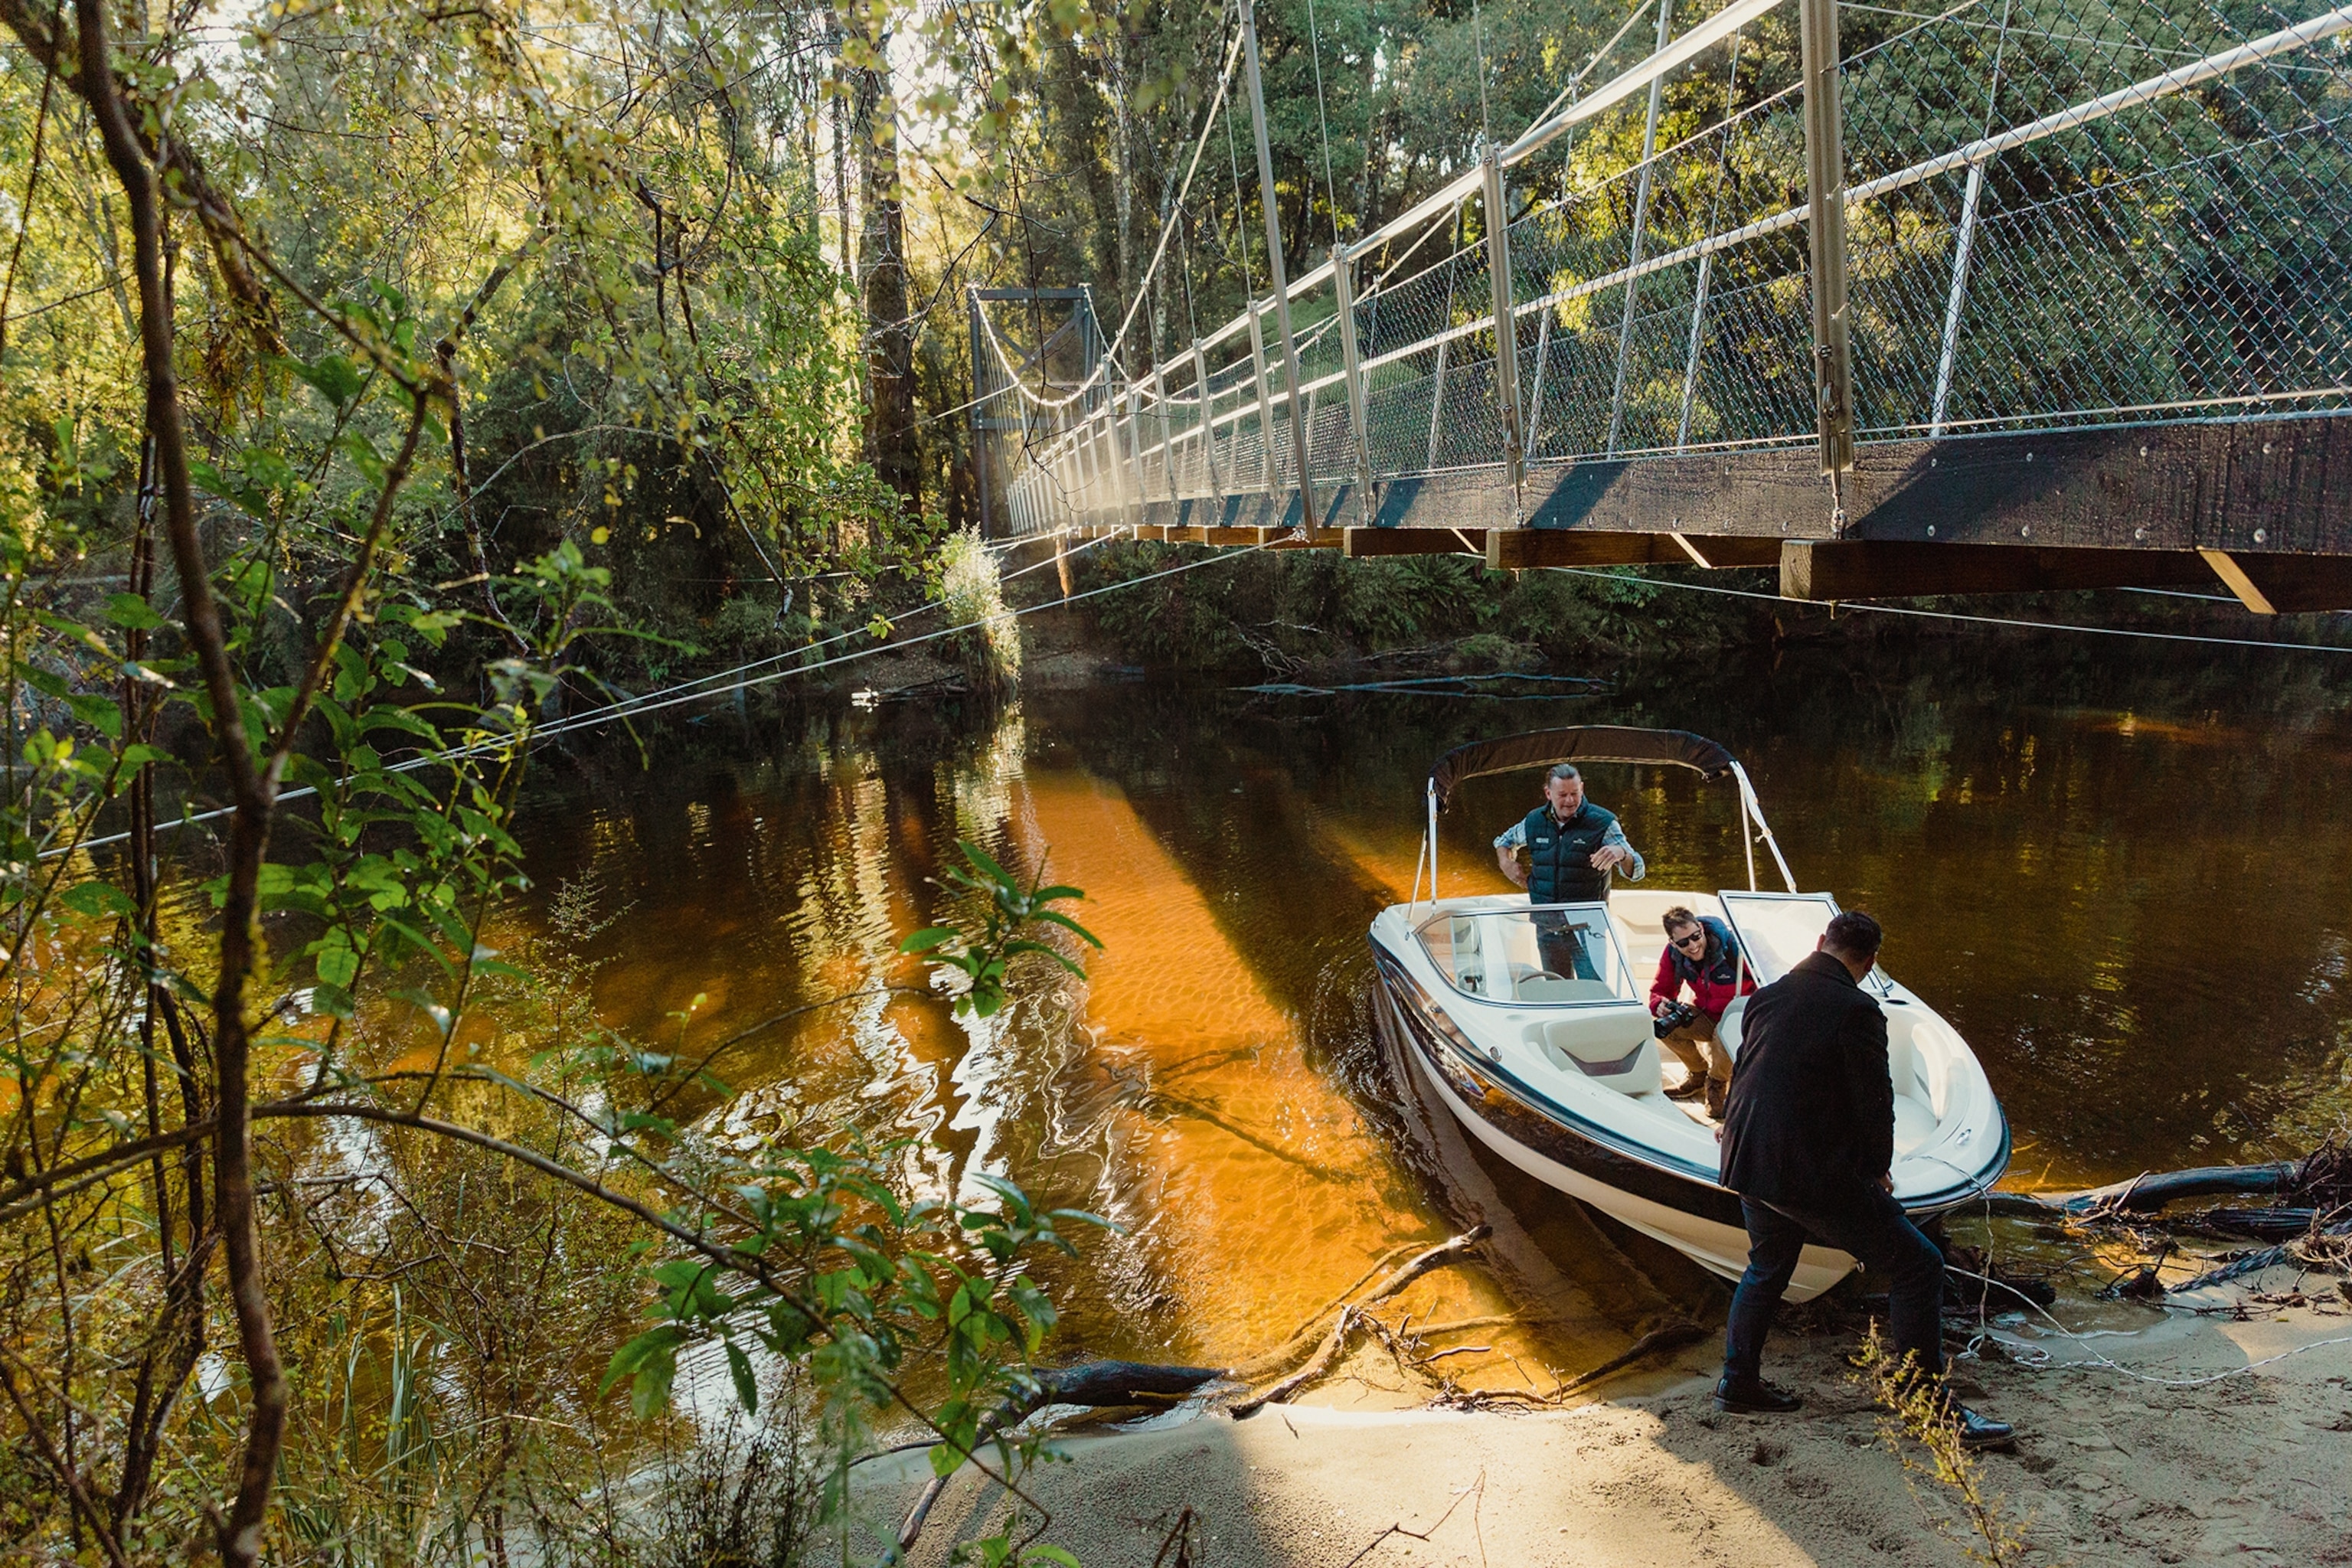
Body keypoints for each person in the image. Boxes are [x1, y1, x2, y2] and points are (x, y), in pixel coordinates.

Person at [1713, 910, 2013, 1449]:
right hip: (1804, 1171)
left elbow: (1745, 1074)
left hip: (1748, 1159)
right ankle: (1928, 1407)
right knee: (1919, 1265)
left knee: (1767, 1264)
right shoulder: (1857, 1009)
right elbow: (1876, 1102)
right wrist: (1877, 1169)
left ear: (1821, 942)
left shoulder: (1768, 996)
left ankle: (1738, 1383)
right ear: (1870, 962)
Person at [1492, 764, 1644, 980]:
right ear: (1548, 793)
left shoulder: (1603, 822)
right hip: (1547, 926)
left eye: (1575, 793)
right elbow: (1503, 841)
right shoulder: (1535, 820)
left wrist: (1620, 853)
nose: (1570, 801)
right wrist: (1506, 863)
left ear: (1582, 788)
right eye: (1562, 795)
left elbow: (1638, 870)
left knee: (1594, 992)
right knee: (1557, 992)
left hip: (1588, 929)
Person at [1649, 906, 1755, 1119]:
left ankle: (1716, 1084)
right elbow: (1659, 991)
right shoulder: (1673, 955)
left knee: (1723, 1034)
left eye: (1696, 936)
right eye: (1683, 943)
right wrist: (1660, 1004)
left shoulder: (1734, 949)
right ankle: (1697, 1074)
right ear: (1673, 943)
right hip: (1706, 1014)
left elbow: (1766, 983)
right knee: (1664, 1026)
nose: (1693, 945)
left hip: (1739, 1019)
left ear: (1700, 928)